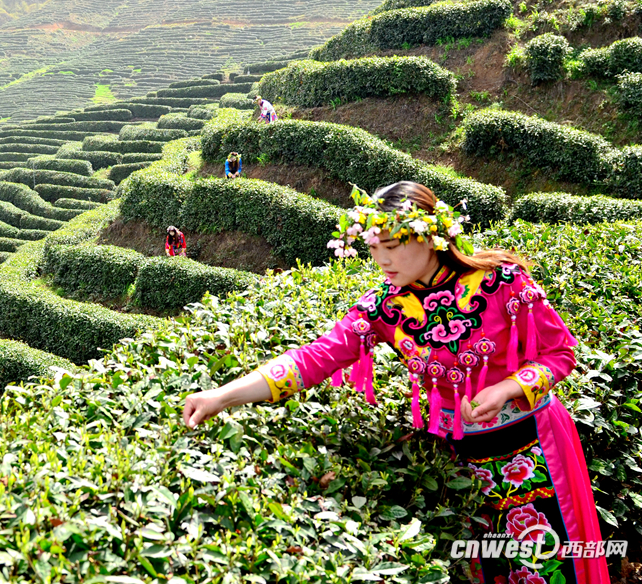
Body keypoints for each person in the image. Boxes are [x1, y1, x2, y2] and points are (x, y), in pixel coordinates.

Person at [182, 182, 608, 584]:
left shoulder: (503, 280)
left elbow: (560, 354)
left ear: (429, 237)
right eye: (372, 249)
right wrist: (223, 396)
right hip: (455, 461)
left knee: (551, 565)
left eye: (390, 247)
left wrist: (506, 389)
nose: (382, 261)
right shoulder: (385, 307)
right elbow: (314, 358)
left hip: (534, 447)